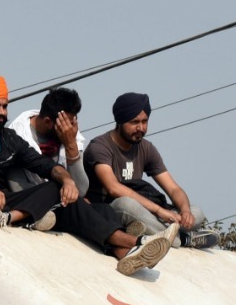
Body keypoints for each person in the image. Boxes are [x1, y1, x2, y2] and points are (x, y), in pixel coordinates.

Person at [0, 78, 176, 276]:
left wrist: (66, 180)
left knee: (80, 200)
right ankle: (136, 242)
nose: (2, 113)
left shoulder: (9, 138)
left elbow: (43, 165)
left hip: (2, 207)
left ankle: (124, 253)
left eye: (4, 106)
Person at [85, 92, 219, 249]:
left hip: (144, 212)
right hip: (111, 211)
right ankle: (182, 239)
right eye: (135, 122)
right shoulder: (99, 147)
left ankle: (159, 231)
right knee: (127, 204)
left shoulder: (146, 148)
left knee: (197, 212)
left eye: (144, 121)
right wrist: (159, 211)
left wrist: (185, 211)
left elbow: (173, 188)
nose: (141, 128)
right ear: (120, 121)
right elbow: (113, 188)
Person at [9, 87, 92, 197]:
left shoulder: (71, 136)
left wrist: (71, 146)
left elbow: (80, 190)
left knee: (104, 210)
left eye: (72, 123)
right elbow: (20, 190)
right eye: (65, 124)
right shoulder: (16, 137)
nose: (70, 129)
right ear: (48, 122)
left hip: (68, 204)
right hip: (37, 204)